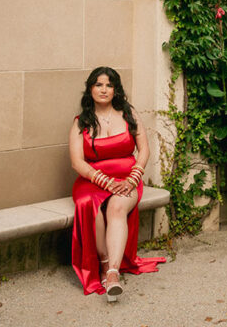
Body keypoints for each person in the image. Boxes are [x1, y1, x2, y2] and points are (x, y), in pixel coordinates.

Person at [69, 67, 165, 299]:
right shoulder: (81, 121)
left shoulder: (128, 113)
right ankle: (103, 264)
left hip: (127, 179)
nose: (104, 90)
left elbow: (144, 150)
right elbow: (76, 162)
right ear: (90, 88)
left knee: (116, 207)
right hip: (92, 180)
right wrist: (104, 180)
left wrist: (133, 178)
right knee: (90, 205)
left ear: (116, 90)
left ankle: (112, 273)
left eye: (109, 85)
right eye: (99, 85)